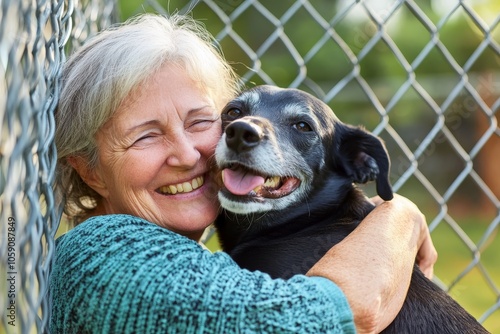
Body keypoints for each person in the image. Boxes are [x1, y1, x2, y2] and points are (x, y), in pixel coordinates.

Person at [50, 13, 437, 334]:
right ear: (90, 170)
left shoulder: (196, 254)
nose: (187, 156)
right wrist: (400, 216)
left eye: (201, 121)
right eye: (146, 136)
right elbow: (331, 315)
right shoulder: (110, 258)